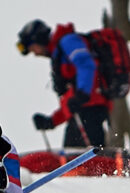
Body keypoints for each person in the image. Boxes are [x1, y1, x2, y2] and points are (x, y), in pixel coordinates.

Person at [17, 19, 112, 147]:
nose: (35, 53)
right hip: (82, 111)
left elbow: (86, 64)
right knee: (74, 155)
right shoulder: (59, 55)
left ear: (39, 40)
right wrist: (51, 121)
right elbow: (70, 100)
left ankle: (106, 165)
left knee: (80, 156)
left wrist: (83, 93)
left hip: (91, 108)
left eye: (33, 48)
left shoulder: (68, 42)